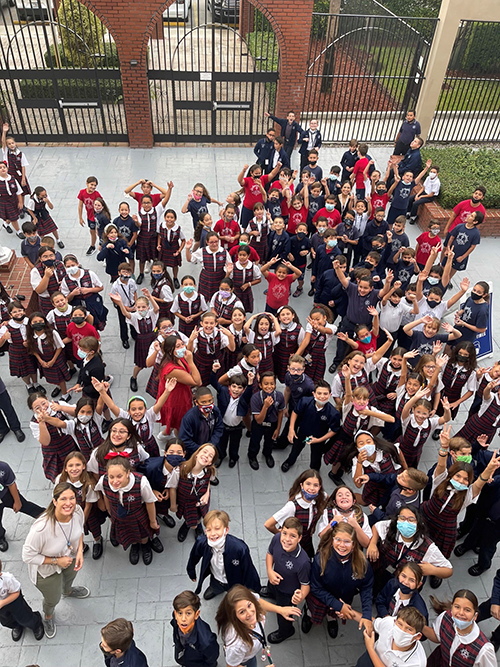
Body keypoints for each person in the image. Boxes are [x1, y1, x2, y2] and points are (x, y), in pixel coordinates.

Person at [22, 482, 89, 639]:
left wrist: (79, 551)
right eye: (63, 499)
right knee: (53, 598)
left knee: (69, 579)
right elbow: (27, 555)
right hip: (46, 570)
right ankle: (48, 617)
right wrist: (56, 561)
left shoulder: (78, 511)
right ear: (54, 501)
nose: (68, 503)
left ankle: (68, 591)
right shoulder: (41, 529)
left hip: (70, 558)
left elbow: (79, 531)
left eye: (72, 498)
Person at [302, 523, 373, 639]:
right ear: (331, 541)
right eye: (338, 540)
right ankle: (308, 614)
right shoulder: (320, 560)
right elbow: (315, 587)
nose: (342, 545)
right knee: (313, 609)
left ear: (354, 545)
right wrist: (338, 605)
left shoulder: (363, 563)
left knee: (333, 614)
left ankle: (331, 619)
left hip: (344, 598)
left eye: (347, 541)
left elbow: (367, 586)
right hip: (320, 598)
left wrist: (367, 614)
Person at [95, 455, 160, 566]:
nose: (115, 481)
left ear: (128, 473)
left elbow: (150, 502)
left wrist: (153, 521)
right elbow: (106, 495)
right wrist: (110, 513)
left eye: (119, 476)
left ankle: (145, 545)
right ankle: (134, 545)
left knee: (143, 533)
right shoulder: (104, 481)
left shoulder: (141, 482)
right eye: (111, 477)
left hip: (138, 514)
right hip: (119, 515)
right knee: (130, 533)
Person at [215, 584, 301, 667]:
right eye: (242, 612)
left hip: (250, 652)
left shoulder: (247, 600)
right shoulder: (237, 645)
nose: (250, 613)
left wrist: (280, 610)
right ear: (234, 616)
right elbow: (232, 665)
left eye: (249, 605)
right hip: (245, 661)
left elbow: (257, 600)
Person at [187, 509, 260, 600]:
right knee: (215, 585)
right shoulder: (201, 542)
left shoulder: (239, 549)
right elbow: (194, 556)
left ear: (226, 530)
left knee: (234, 599)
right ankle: (216, 589)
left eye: (217, 529)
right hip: (216, 578)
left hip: (235, 583)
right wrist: (191, 571)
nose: (213, 534)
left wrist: (252, 591)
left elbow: (249, 571)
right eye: (209, 529)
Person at [261, 517, 311, 643]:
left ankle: (286, 631)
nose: (287, 539)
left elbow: (305, 585)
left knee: (283, 614)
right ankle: (271, 593)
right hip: (274, 580)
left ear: (299, 538)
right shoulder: (277, 539)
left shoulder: (303, 562)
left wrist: (300, 597)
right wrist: (269, 571)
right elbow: (270, 553)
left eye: (293, 536)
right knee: (271, 589)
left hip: (287, 593)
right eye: (284, 533)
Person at [424, 589, 497, 667]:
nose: (461, 613)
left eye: (467, 610)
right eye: (457, 607)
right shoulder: (445, 617)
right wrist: (420, 626)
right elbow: (437, 637)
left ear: (475, 616)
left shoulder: (484, 650)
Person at [264, 469, 327, 558]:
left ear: (319, 487)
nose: (312, 488)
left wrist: (313, 526)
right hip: (293, 544)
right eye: (308, 484)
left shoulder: (320, 497)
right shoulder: (292, 506)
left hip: (306, 541)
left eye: (315, 485)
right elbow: (268, 524)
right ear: (301, 485)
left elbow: (326, 498)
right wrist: (281, 533)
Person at [282, 380, 340, 472]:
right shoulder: (305, 401)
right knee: (295, 449)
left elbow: (334, 430)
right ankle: (289, 462)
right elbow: (295, 412)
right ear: (314, 394)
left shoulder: (333, 413)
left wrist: (319, 440)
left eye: (325, 394)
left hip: (318, 438)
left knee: (316, 457)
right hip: (302, 433)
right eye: (319, 393)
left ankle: (314, 470)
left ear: (330, 395)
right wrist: (291, 429)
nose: (322, 396)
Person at [157, 335, 201, 437]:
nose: (182, 347)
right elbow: (197, 381)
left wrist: (191, 340)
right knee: (180, 423)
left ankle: (165, 434)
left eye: (182, 344)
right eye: (178, 346)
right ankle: (179, 440)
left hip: (179, 394)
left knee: (175, 421)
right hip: (176, 400)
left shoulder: (177, 358)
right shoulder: (172, 369)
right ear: (170, 350)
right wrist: (190, 361)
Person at [357, 606, 426, 667]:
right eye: (400, 624)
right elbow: (372, 623)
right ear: (395, 621)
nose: (402, 630)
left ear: (418, 636)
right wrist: (351, 613)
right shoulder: (389, 623)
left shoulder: (417, 663)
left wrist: (370, 648)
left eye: (409, 629)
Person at [210, 370, 253, 467]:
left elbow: (249, 392)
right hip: (223, 425)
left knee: (235, 444)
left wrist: (250, 382)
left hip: (236, 427)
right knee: (221, 443)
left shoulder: (243, 398)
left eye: (239, 387)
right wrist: (214, 372)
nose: (236, 390)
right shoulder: (223, 391)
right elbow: (213, 382)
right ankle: (221, 456)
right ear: (229, 386)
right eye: (234, 386)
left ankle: (233, 457)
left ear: (243, 389)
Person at [176, 444, 217, 543]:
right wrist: (173, 504)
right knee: (186, 515)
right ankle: (187, 524)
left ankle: (198, 525)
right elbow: (173, 487)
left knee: (199, 515)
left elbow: (208, 482)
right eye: (205, 452)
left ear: (210, 462)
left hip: (200, 499)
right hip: (185, 499)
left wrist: (207, 494)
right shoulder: (181, 469)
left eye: (210, 455)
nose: (207, 455)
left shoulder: (209, 471)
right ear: (197, 453)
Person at [0, 459, 43, 552]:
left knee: (26, 506)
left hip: (6, 494)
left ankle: (45, 515)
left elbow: (11, 484)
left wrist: (17, 501)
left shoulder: (3, 467)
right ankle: (0, 537)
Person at [0, 558, 44, 642]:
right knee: (5, 621)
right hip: (1, 609)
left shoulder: (7, 579)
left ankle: (36, 624)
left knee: (25, 617)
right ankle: (16, 626)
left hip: (13, 601)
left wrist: (2, 602)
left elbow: (16, 592)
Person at [171, 590, 219, 667]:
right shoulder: (176, 618)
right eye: (180, 613)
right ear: (176, 614)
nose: (183, 619)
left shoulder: (207, 642)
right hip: (184, 654)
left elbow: (211, 659)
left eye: (188, 613)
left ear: (196, 615)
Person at [248, 371, 284, 470]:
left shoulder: (280, 396)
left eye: (272, 384)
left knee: (270, 441)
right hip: (258, 425)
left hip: (272, 424)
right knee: (255, 441)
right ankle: (252, 456)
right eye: (266, 384)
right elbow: (258, 420)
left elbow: (280, 412)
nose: (269, 386)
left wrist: (278, 429)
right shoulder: (255, 398)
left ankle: (267, 454)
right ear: (260, 385)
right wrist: (265, 406)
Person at [178, 386, 224, 459]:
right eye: (203, 402)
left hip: (211, 446)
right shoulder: (189, 417)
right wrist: (201, 450)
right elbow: (184, 439)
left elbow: (219, 427)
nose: (207, 404)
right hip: (194, 452)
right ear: (196, 402)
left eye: (210, 401)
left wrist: (211, 444)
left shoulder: (215, 411)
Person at [445, 210, 483, 277]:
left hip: (460, 255)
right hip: (451, 252)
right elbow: (452, 238)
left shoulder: (476, 233)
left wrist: (463, 257)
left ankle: (447, 281)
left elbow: (472, 246)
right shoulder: (459, 226)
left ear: (475, 222)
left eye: (471, 216)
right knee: (444, 266)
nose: (468, 216)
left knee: (453, 269)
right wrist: (448, 249)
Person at [77, 175, 101, 256]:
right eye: (92, 184)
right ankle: (93, 246)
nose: (93, 187)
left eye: (95, 185)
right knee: (92, 231)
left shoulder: (97, 194)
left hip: (97, 217)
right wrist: (80, 217)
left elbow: (102, 205)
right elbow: (80, 205)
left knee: (100, 233)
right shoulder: (82, 193)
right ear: (87, 184)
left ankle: (102, 246)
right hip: (90, 217)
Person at [0, 158, 24, 237]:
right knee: (14, 218)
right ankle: (18, 231)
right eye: (0, 168)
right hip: (4, 202)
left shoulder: (13, 179)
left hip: (14, 200)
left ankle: (5, 224)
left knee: (11, 216)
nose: (2, 169)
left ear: (7, 168)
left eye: (4, 167)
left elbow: (19, 192)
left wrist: (20, 202)